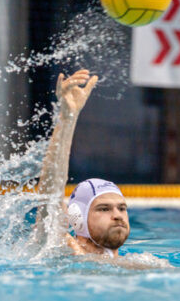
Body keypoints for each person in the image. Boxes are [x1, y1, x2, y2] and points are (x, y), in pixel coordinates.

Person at [34, 69, 130, 258]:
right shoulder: (61, 250)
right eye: (104, 209)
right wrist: (68, 117)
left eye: (122, 208)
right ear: (78, 219)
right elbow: (50, 191)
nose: (117, 215)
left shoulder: (138, 263)